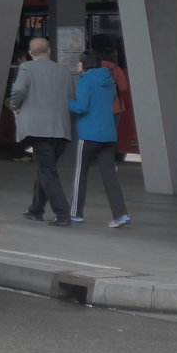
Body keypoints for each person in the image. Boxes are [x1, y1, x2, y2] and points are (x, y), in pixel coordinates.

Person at [10, 38, 76, 225]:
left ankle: (62, 214)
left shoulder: (27, 68)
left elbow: (19, 91)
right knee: (46, 169)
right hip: (61, 129)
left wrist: (14, 106)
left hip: (39, 128)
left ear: (31, 53)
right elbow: (71, 96)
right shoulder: (63, 71)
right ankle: (36, 209)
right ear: (49, 51)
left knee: (47, 172)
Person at [69, 50, 131, 227]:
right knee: (110, 176)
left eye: (79, 63)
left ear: (85, 64)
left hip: (88, 134)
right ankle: (120, 214)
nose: (78, 66)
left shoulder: (86, 80)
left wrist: (67, 103)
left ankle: (76, 213)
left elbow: (81, 107)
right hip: (108, 134)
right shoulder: (109, 80)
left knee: (81, 174)